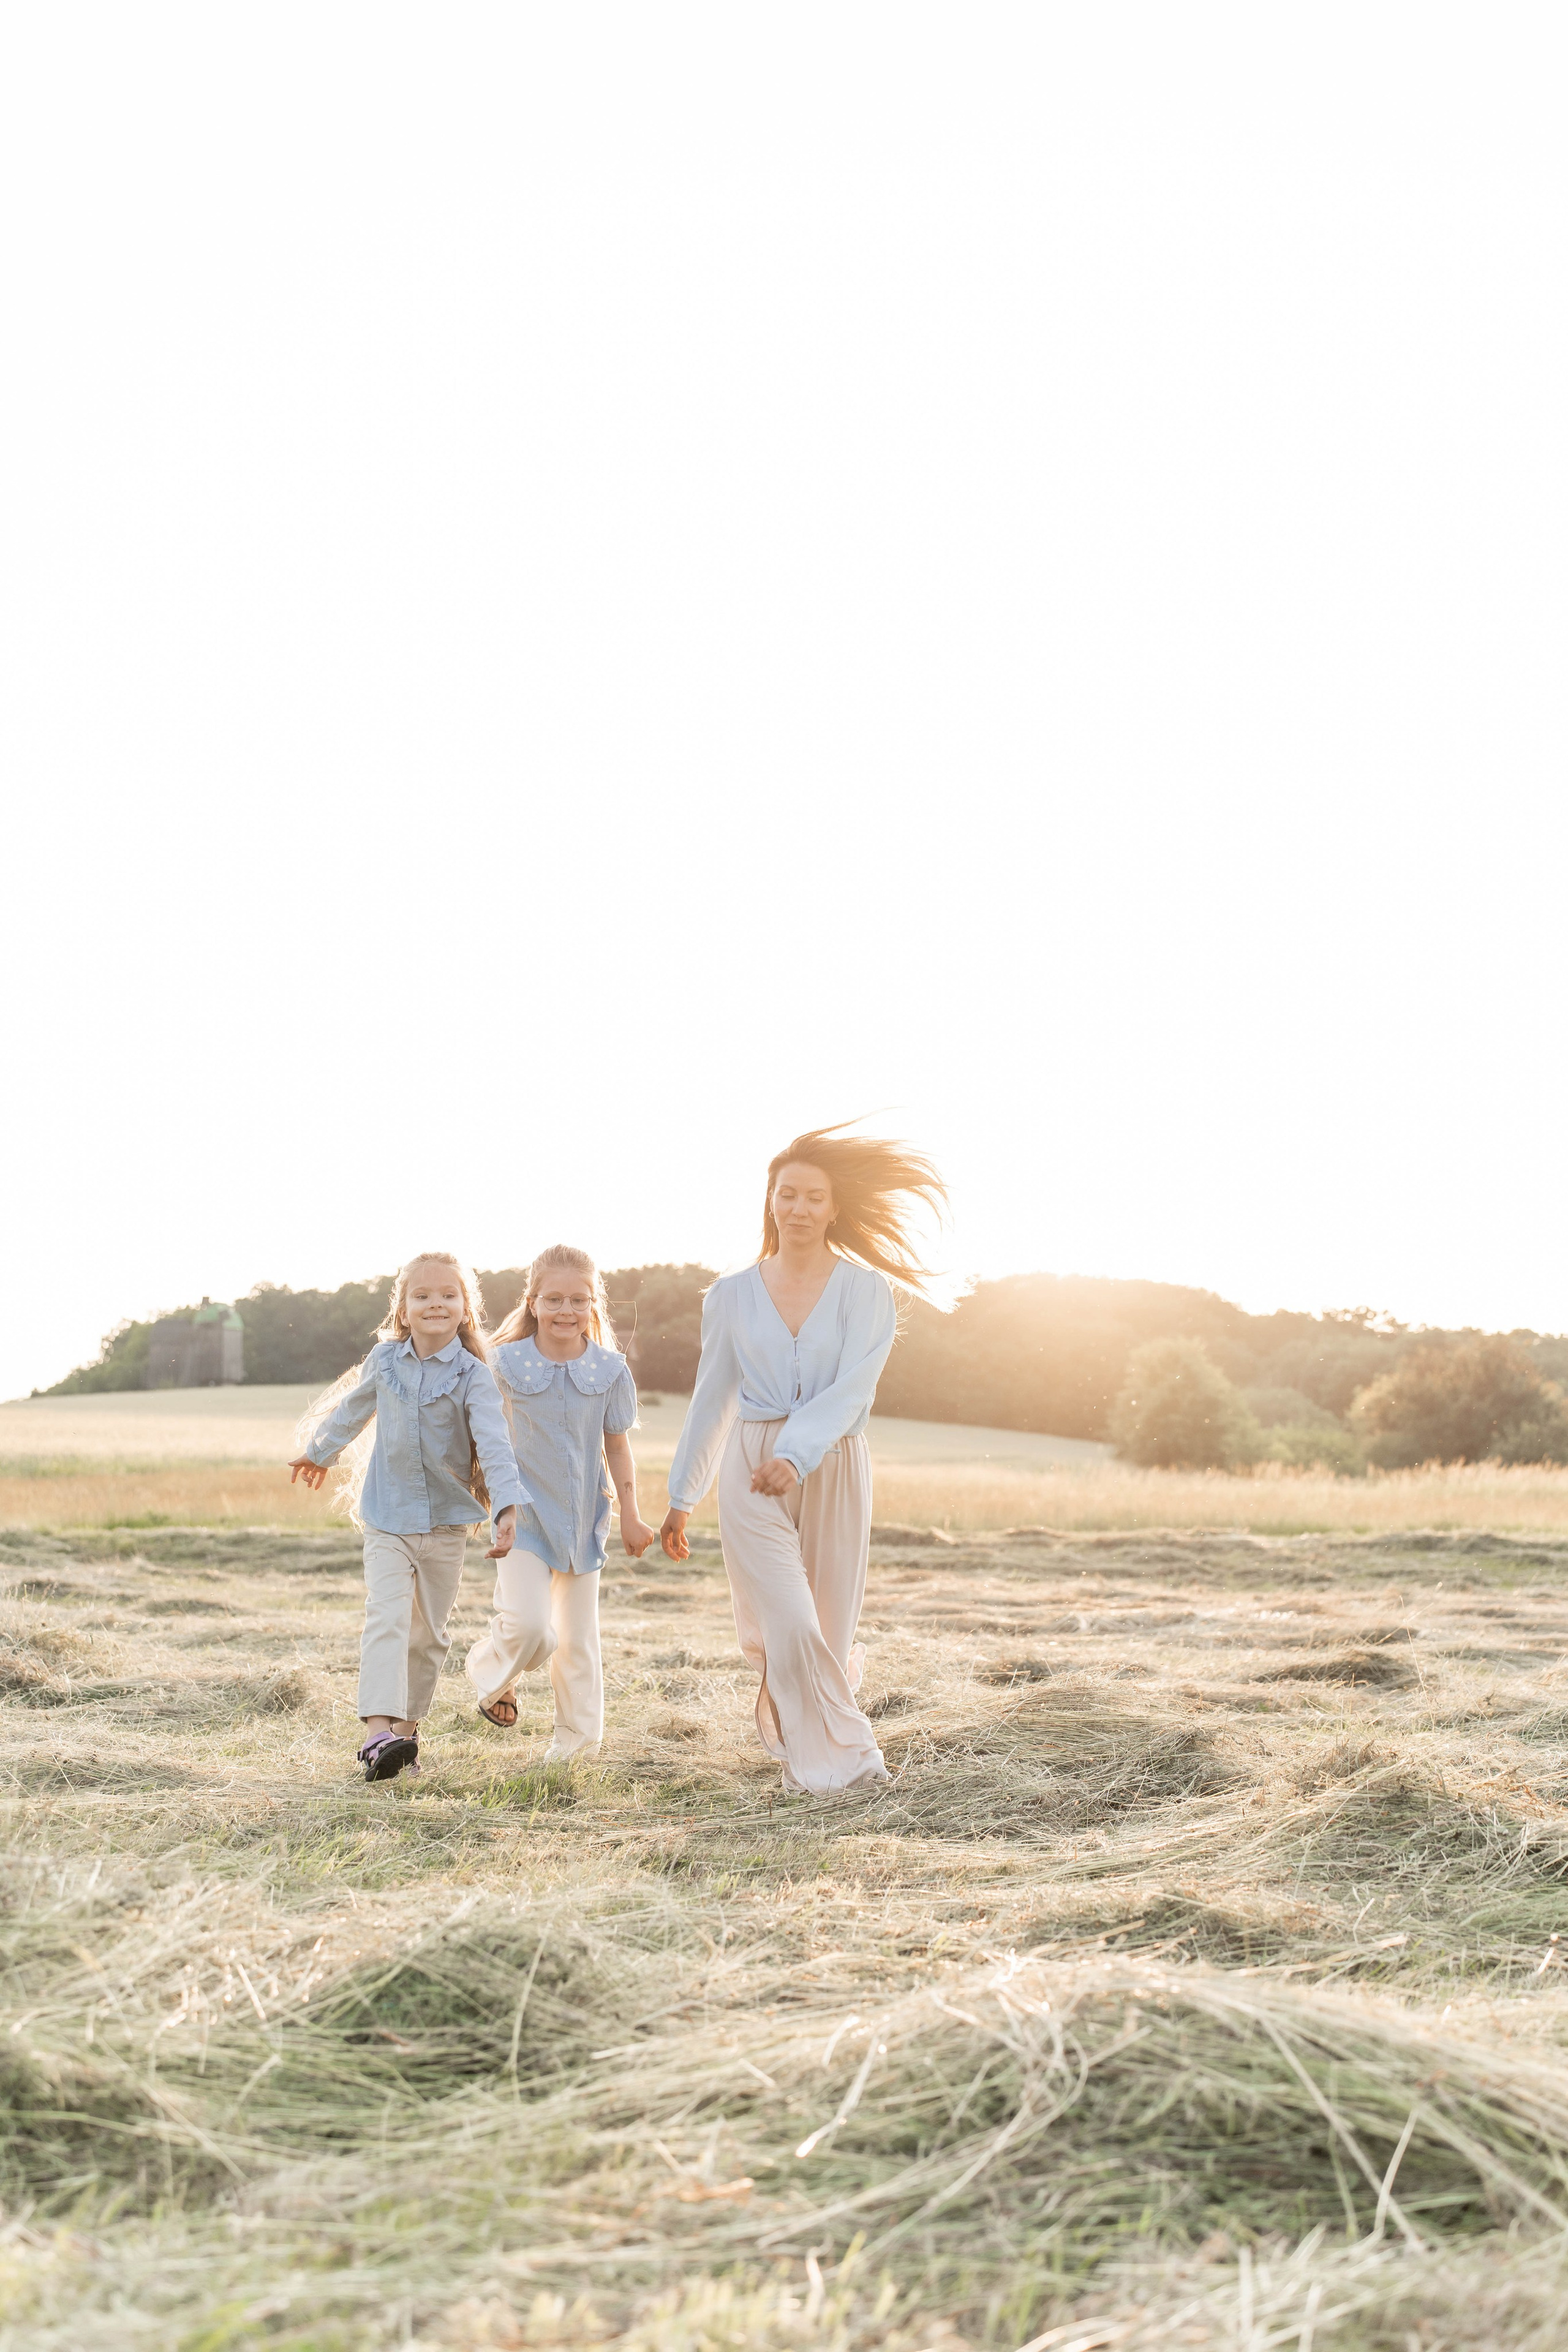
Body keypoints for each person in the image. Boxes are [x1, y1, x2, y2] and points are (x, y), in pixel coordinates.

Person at [661, 1126, 947, 1793]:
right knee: (788, 1623)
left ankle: (803, 1764)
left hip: (835, 1466)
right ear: (769, 1202)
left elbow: (853, 1390)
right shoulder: (728, 1294)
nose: (796, 1208)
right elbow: (712, 1399)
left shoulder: (865, 1291)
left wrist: (798, 1452)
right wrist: (683, 1495)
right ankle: (853, 1763)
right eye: (785, 1194)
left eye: (812, 1197)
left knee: (827, 1629)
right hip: (752, 1470)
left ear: (833, 1209)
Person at [288, 1253, 523, 1782]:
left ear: (466, 1308)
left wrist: (507, 1506)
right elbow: (354, 1408)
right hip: (389, 1518)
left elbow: (495, 1444)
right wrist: (319, 1452)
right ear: (403, 1308)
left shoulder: (473, 1376)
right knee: (387, 1618)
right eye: (422, 1295)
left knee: (428, 1635)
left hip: (446, 1527)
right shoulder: (386, 1360)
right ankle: (377, 1736)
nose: (435, 1303)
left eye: (448, 1295)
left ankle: (407, 1739)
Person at [465, 1246, 655, 1758]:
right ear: (532, 1301)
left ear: (594, 1303)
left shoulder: (610, 1370)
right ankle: (490, 1671)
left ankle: (576, 1750)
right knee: (531, 1628)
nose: (565, 1310)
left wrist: (633, 1516)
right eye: (553, 1299)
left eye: (578, 1299)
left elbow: (617, 1444)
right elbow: (484, 1435)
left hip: (583, 1519)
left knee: (576, 1642)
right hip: (521, 1516)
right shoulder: (503, 1363)